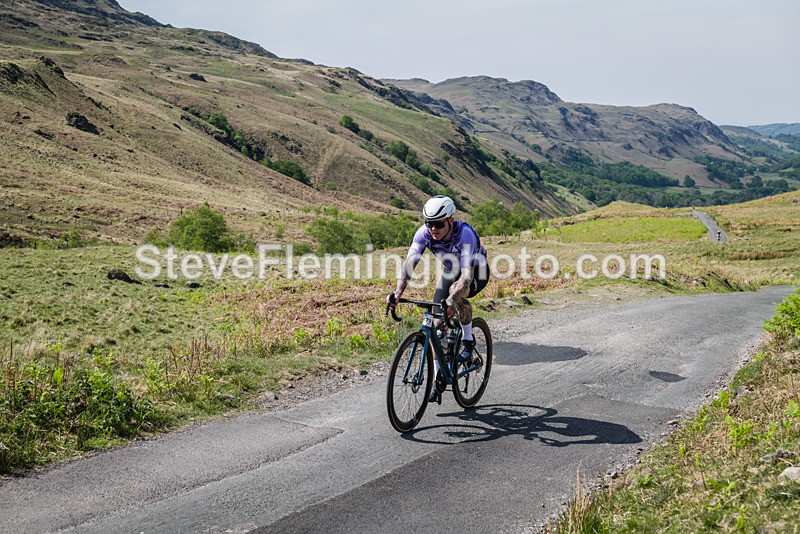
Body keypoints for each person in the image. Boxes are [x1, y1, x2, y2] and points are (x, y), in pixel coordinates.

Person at [387, 195, 489, 401]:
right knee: (436, 321)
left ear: (450, 221)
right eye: (429, 223)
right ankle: (438, 376)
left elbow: (467, 276)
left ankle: (468, 340)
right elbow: (409, 265)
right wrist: (397, 293)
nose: (433, 228)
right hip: (452, 269)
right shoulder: (424, 234)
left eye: (438, 224)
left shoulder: (465, 234)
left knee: (457, 293)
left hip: (477, 271)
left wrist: (453, 298)